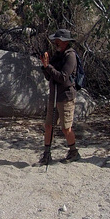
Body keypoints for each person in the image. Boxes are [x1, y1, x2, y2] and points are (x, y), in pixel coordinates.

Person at [35, 29, 81, 165]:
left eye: (58, 41)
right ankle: (47, 154)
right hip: (54, 95)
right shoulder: (57, 55)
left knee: (66, 128)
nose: (55, 43)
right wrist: (45, 66)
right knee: (49, 125)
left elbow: (63, 78)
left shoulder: (70, 56)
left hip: (66, 96)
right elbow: (50, 76)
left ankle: (74, 152)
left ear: (65, 41)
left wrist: (48, 66)